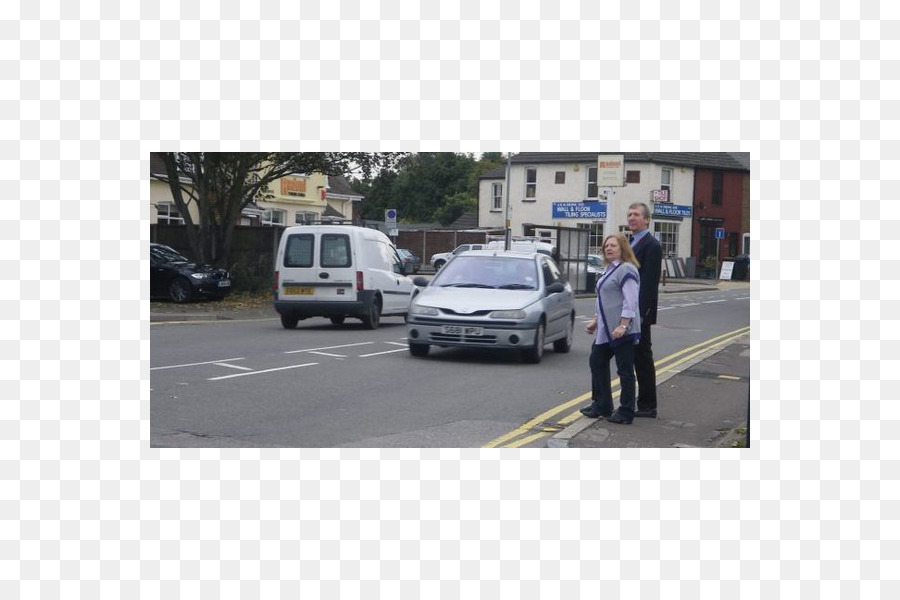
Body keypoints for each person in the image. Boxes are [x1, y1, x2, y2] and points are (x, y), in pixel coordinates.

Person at [580, 233, 641, 424]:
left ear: (623, 248)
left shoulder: (627, 269)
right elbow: (603, 300)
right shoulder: (609, 270)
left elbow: (630, 301)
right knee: (596, 360)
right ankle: (602, 405)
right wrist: (596, 320)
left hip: (622, 329)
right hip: (606, 329)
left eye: (613, 245)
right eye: (606, 246)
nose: (608, 248)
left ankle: (626, 411)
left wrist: (623, 325)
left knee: (625, 370)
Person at [627, 202, 663, 418]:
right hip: (625, 310)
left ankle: (648, 405)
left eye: (637, 215)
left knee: (642, 358)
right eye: (630, 214)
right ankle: (620, 402)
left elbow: (648, 284)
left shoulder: (651, 245)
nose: (632, 218)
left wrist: (638, 315)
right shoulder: (629, 242)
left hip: (638, 314)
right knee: (625, 358)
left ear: (647, 220)